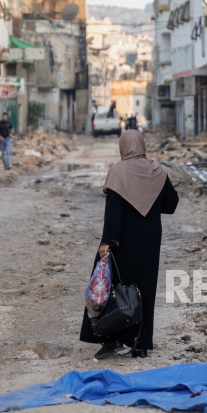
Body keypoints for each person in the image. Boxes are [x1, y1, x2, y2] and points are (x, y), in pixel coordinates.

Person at [80, 130, 179, 359]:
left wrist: (107, 242)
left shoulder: (117, 172)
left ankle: (114, 338)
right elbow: (171, 204)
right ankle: (141, 344)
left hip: (123, 241)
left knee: (116, 289)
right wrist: (149, 204)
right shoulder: (158, 171)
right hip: (150, 240)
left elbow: (113, 212)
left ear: (123, 147)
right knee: (144, 290)